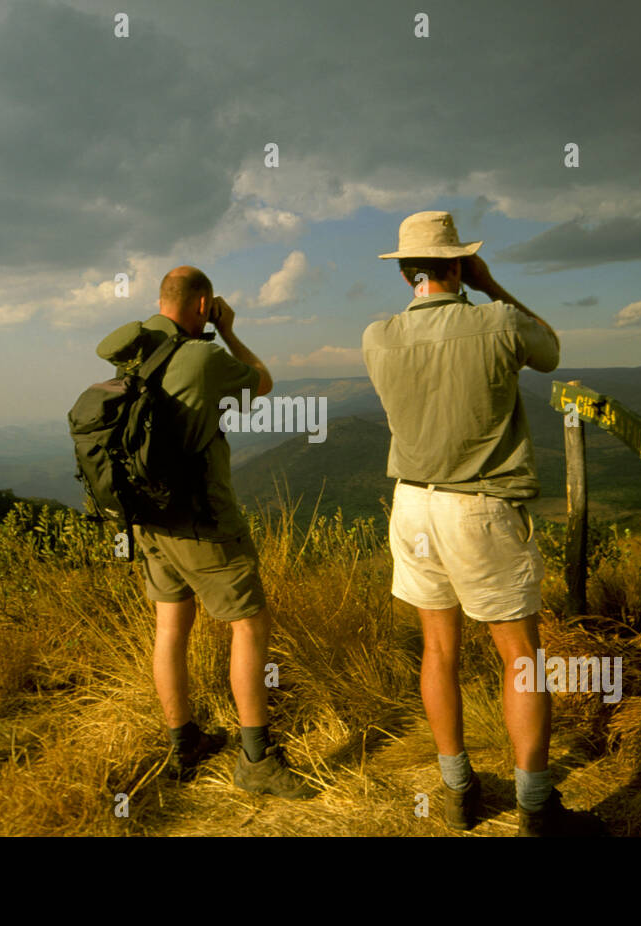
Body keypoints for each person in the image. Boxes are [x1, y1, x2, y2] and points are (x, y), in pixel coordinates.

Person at [362, 211, 603, 835]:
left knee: (438, 650)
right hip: (482, 505)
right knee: (519, 656)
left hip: (412, 502)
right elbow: (550, 350)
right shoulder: (495, 320)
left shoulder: (377, 337)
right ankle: (535, 807)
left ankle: (457, 792)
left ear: (408, 271)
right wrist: (493, 286)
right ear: (459, 264)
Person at [95, 266, 314, 799]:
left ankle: (183, 742)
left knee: (170, 627)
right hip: (200, 519)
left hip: (147, 516)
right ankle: (256, 760)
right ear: (203, 305)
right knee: (249, 625)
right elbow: (261, 382)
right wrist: (231, 331)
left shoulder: (137, 350)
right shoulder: (205, 355)